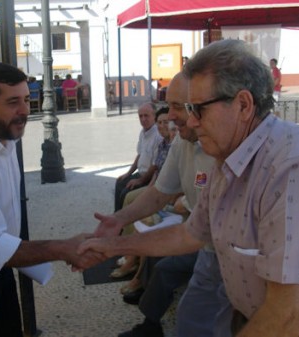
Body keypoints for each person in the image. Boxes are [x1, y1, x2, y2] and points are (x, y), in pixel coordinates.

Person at [81, 39, 299, 336]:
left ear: (243, 105)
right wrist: (112, 246)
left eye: (197, 109)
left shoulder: (293, 166)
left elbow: (287, 318)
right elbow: (190, 233)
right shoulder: (228, 157)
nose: (190, 122)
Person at [0, 62, 99, 337]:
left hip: (0, 269)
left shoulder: (3, 135)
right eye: (13, 102)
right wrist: (64, 248)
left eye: (26, 99)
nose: (24, 110)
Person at [96, 73, 233, 337]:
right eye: (168, 106)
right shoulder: (184, 141)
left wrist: (115, 245)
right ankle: (150, 324)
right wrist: (118, 221)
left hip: (228, 256)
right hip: (207, 248)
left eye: (179, 107)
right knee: (190, 318)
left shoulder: (248, 154)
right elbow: (160, 194)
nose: (170, 116)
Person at [111, 107, 175, 280]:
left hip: (170, 195)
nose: (164, 127)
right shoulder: (165, 144)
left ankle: (132, 258)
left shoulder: (176, 146)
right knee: (123, 189)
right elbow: (156, 170)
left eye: (167, 124)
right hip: (158, 186)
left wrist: (147, 187)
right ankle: (122, 237)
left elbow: (174, 179)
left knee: (132, 198)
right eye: (161, 123)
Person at [114, 102, 161, 212]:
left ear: (154, 116)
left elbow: (155, 166)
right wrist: (128, 173)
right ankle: (117, 215)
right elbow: (139, 155)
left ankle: (121, 221)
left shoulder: (158, 136)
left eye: (146, 115)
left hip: (148, 177)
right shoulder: (143, 132)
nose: (143, 119)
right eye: (140, 116)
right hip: (141, 173)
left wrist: (140, 180)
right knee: (120, 182)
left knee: (125, 193)